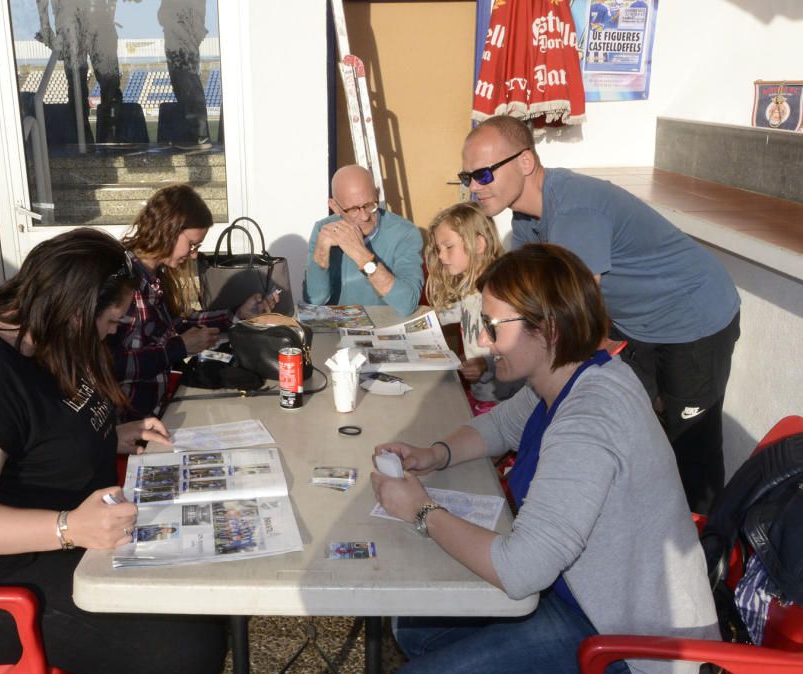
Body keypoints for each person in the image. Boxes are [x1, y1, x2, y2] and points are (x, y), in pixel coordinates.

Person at [372, 244, 719, 674]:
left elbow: (521, 570)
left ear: (549, 329)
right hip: (578, 597)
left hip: (633, 649)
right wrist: (434, 454)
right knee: (417, 626)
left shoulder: (589, 421)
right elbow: (499, 425)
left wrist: (421, 510)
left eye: (494, 328)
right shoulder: (569, 375)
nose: (483, 341)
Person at [0, 228, 228, 674]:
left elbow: (46, 435)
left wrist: (115, 436)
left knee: (203, 594)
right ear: (74, 309)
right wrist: (69, 529)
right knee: (182, 653)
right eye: (110, 320)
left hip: (63, 548)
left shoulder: (45, 341)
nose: (112, 331)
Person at [460, 115, 741, 514]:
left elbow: (573, 321)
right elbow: (530, 308)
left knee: (691, 448)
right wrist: (495, 355)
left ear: (525, 162)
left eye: (484, 174)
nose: (473, 186)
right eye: (467, 175)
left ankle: (708, 557)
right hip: (638, 324)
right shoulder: (526, 219)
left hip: (694, 317)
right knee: (627, 430)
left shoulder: (576, 209)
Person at [110, 183, 276, 419]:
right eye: (192, 245)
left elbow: (175, 325)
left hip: (157, 410)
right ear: (168, 229)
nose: (194, 254)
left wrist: (237, 315)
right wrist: (179, 348)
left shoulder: (154, 276)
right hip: (129, 423)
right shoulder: (123, 281)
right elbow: (107, 366)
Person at [424, 201, 521, 414]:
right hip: (480, 394)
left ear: (478, 244)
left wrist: (486, 365)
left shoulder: (501, 294)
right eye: (439, 249)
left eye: (448, 247)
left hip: (501, 403)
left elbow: (520, 349)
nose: (440, 256)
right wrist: (418, 319)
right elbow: (448, 314)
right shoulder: (469, 287)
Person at [304, 164, 423, 316]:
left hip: (387, 329)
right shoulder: (325, 230)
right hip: (338, 330)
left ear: (378, 194)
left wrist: (362, 256)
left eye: (369, 205)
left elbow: (407, 303)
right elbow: (314, 301)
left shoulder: (405, 233)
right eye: (353, 209)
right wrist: (321, 253)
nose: (365, 216)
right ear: (335, 207)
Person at [36, 0, 123, 143]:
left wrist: (108, 17)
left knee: (110, 86)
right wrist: (45, 29)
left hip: (94, 19)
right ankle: (84, 142)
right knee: (78, 87)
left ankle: (108, 140)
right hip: (70, 21)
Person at [158, 0, 210, 150]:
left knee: (187, 81)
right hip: (177, 33)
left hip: (182, 32)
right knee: (182, 82)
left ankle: (198, 135)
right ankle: (195, 134)